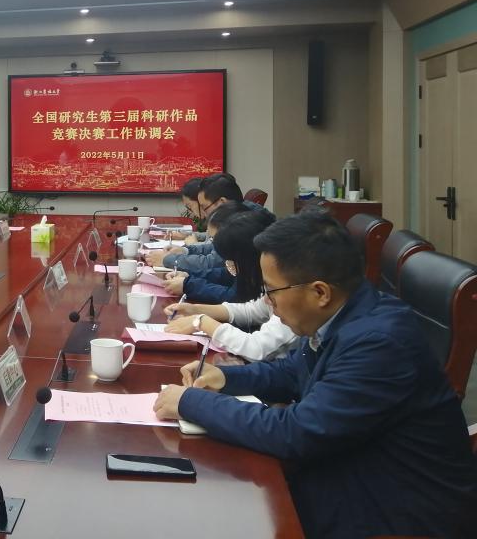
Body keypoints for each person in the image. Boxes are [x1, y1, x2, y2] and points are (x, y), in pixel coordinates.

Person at [154, 211, 477, 538]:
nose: (269, 304)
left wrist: (192, 402)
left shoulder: (379, 342)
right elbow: (292, 372)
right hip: (349, 474)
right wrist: (226, 379)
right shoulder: (348, 314)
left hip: (393, 513)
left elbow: (296, 433)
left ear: (320, 292)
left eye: (272, 292)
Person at [164, 210, 297, 361]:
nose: (266, 299)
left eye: (232, 260)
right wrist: (194, 309)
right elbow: (251, 310)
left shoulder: (292, 292)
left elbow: (257, 349)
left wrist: (201, 322)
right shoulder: (276, 281)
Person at [161, 202, 251, 300]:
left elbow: (235, 297)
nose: (214, 245)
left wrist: (188, 286)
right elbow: (225, 275)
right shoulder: (239, 253)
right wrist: (189, 276)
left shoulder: (252, 262)